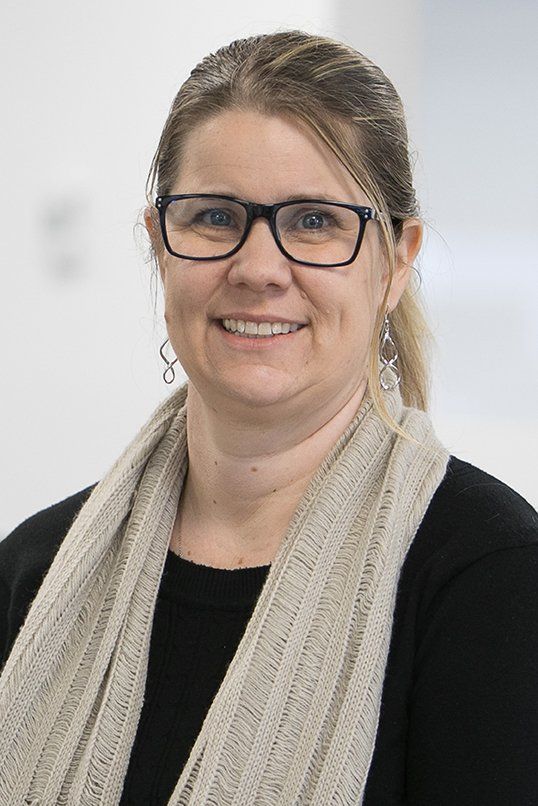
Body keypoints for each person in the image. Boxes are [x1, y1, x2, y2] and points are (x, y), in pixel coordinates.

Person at [0, 30, 536, 806]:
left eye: (314, 221)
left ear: (396, 261)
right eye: (216, 217)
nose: (257, 268)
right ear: (160, 244)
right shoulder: (34, 571)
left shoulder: (492, 582)